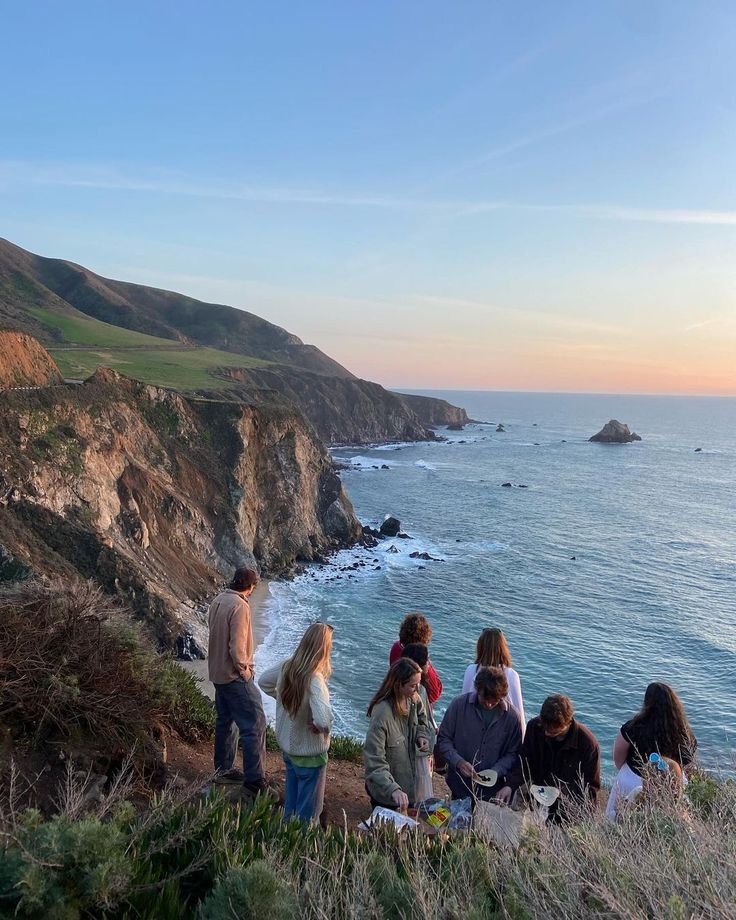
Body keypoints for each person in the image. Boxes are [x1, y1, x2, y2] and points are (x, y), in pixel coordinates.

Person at [258, 623, 334, 822]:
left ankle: (284, 841)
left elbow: (264, 681)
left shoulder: (287, 667)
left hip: (290, 751)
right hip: (310, 756)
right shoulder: (315, 679)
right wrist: (318, 726)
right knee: (308, 814)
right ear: (323, 649)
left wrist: (286, 703)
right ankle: (300, 848)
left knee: (290, 806)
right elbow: (324, 719)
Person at [207, 566, 269, 799]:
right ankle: (255, 780)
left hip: (217, 672)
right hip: (233, 675)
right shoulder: (240, 606)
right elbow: (236, 646)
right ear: (250, 587)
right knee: (255, 722)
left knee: (226, 721)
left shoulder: (219, 600)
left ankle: (223, 769)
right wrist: (245, 671)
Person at [606, 682, 697, 819]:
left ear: (647, 702)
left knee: (619, 818)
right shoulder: (684, 732)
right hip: (673, 783)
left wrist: (629, 772)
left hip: (633, 779)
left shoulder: (633, 727)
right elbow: (688, 759)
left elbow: (618, 756)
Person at [437, 666, 522, 803]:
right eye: (485, 699)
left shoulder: (512, 718)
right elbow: (444, 739)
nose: (488, 705)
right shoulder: (458, 705)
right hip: (459, 786)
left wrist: (496, 771)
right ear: (477, 689)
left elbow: (513, 753)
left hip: (492, 793)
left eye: (494, 701)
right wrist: (458, 762)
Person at [512, 694, 600, 822]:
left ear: (568, 723)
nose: (547, 733)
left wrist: (561, 792)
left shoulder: (587, 744)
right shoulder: (535, 727)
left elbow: (591, 787)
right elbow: (524, 762)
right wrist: (510, 785)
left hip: (568, 812)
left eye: (553, 732)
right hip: (538, 801)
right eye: (545, 728)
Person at [364, 658, 431, 810]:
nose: (417, 688)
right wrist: (392, 788)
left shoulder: (413, 699)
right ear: (398, 685)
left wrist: (421, 734)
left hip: (409, 787)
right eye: (413, 685)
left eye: (418, 683)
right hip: (387, 794)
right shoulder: (382, 714)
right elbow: (374, 760)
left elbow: (422, 717)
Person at [461, 628, 525, 730]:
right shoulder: (511, 674)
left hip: (472, 727)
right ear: (502, 649)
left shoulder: (471, 670)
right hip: (501, 731)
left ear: (480, 647)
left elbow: (463, 705)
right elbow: (518, 711)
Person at [400, 643, 437, 801]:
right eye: (427, 660)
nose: (430, 663)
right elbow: (423, 718)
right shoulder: (419, 689)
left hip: (408, 746)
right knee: (421, 785)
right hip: (419, 747)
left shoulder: (406, 687)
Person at [389, 612, 443, 706]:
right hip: (416, 710)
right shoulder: (417, 659)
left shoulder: (396, 648)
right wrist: (427, 667)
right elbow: (435, 694)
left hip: (397, 703)